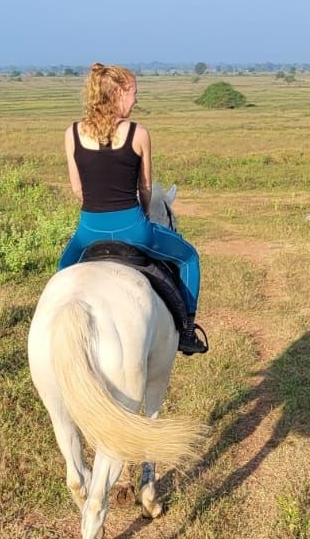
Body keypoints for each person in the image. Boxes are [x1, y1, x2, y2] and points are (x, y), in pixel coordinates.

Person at [57, 63, 208, 355]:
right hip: (133, 229)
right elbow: (146, 189)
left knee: (63, 274)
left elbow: (78, 190)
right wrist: (147, 215)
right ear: (119, 94)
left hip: (88, 231)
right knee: (189, 257)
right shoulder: (138, 134)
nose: (136, 99)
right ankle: (187, 332)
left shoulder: (72, 133)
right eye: (134, 93)